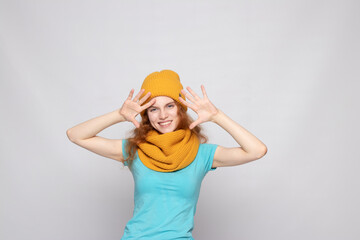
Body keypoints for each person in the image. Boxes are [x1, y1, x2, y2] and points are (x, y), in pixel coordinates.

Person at [66, 69, 267, 240]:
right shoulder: (135, 149)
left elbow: (257, 151)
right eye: (154, 109)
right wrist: (119, 115)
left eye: (170, 106)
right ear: (146, 115)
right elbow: (75, 135)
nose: (163, 115)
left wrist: (217, 116)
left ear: (181, 109)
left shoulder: (202, 154)